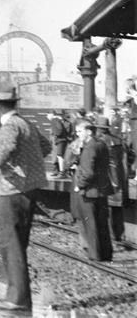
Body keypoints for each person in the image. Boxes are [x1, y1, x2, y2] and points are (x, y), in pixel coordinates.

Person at [0, 86, 52, 312]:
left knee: (10, 244)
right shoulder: (27, 124)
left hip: (11, 190)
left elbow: (0, 158)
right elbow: (46, 146)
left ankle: (17, 299)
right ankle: (16, 295)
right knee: (19, 243)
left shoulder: (8, 126)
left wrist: (7, 167)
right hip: (29, 189)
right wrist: (28, 162)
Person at [74, 119, 113, 261]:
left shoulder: (90, 147)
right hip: (102, 190)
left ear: (88, 131)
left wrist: (79, 185)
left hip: (90, 191)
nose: (78, 135)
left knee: (91, 224)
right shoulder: (101, 144)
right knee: (102, 224)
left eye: (79, 131)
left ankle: (95, 255)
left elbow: (88, 172)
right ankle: (106, 254)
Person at [95, 117, 130, 243]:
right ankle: (118, 236)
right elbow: (126, 160)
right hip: (119, 178)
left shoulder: (99, 142)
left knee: (104, 210)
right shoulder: (119, 141)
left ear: (99, 129)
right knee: (117, 209)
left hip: (105, 180)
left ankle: (108, 236)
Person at [48, 109, 71, 178]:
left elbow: (66, 132)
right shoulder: (57, 121)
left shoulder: (65, 123)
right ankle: (57, 171)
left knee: (61, 156)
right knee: (57, 156)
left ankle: (63, 172)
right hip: (56, 141)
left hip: (62, 141)